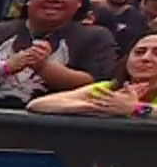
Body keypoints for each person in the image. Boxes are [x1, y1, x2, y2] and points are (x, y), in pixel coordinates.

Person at [26, 30, 157, 119]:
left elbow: (135, 109)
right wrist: (101, 106)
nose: (145, 58)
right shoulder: (110, 89)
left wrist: (136, 109)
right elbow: (38, 105)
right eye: (139, 52)